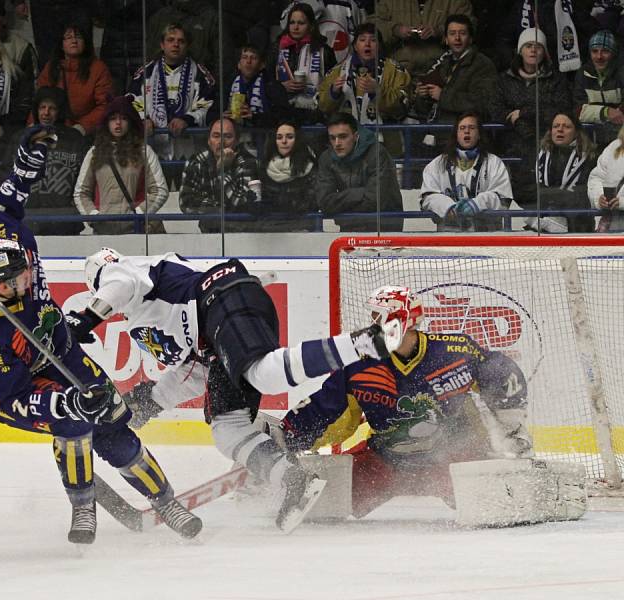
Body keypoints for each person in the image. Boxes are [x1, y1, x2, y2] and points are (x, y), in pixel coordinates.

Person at [0, 124, 202, 545]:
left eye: (25, 271)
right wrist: (65, 397)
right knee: (73, 420)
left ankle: (166, 501)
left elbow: (8, 200)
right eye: (16, 282)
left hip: (57, 349)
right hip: (10, 389)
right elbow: (16, 393)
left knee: (112, 420)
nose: (27, 279)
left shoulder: (0, 240)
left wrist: (27, 164)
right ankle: (83, 504)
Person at [63, 249, 392, 532]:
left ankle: (360, 343)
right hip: (217, 336)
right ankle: (295, 480)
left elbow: (119, 283)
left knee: (264, 374)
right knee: (228, 432)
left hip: (220, 298)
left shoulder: (124, 273)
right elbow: (191, 373)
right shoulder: (150, 307)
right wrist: (140, 410)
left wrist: (87, 318)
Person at [274, 285, 531, 519]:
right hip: (388, 461)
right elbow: (328, 412)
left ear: (402, 320)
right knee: (325, 504)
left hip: (455, 460)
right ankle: (268, 487)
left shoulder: (454, 351)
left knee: (501, 509)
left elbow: (499, 372)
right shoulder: (359, 365)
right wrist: (285, 440)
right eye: (372, 317)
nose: (373, 324)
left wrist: (511, 428)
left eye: (380, 317)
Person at [129, 23, 215, 189]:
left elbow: (208, 103)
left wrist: (188, 119)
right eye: (171, 40)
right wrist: (143, 120)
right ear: (162, 44)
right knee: (156, 198)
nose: (176, 44)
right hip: (154, 149)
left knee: (189, 196)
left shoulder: (200, 72)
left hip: (189, 149)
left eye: (181, 41)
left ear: (187, 45)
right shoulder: (146, 72)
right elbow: (132, 100)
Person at [488, 28, 572, 194]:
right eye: (528, 46)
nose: (533, 50)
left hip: (546, 143)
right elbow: (495, 109)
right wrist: (517, 122)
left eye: (538, 46)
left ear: (544, 52)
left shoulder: (556, 80)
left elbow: (561, 110)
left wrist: (524, 113)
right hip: (511, 145)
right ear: (520, 51)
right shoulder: (503, 80)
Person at [0, 86, 89, 236]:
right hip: (27, 219)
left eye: (52, 108)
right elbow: (4, 176)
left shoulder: (74, 139)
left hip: (65, 221)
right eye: (42, 107)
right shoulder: (22, 138)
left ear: (60, 111)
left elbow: (85, 179)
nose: (46, 113)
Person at [74, 95, 168, 235]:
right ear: (106, 123)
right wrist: (93, 216)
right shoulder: (94, 152)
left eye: (123, 118)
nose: (118, 123)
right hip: (104, 230)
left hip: (139, 229)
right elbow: (80, 192)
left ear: (130, 122)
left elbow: (160, 190)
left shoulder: (144, 151)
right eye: (113, 119)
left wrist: (138, 213)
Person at [319, 22, 410, 156]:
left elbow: (403, 106)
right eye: (362, 40)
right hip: (345, 144)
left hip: (386, 144)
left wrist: (378, 92)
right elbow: (322, 106)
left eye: (373, 40)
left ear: (379, 45)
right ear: (355, 45)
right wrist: (333, 93)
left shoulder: (396, 71)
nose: (367, 44)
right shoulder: (337, 72)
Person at [419, 112, 514, 232]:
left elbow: (503, 199)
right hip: (449, 238)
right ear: (456, 134)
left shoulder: (494, 163)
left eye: (472, 128)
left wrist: (478, 204)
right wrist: (448, 207)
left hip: (487, 237)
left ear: (479, 134)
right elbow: (427, 197)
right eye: (462, 128)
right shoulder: (437, 164)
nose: (467, 131)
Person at [316, 112, 404, 231]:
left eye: (343, 137)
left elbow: (377, 200)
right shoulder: (326, 158)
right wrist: (360, 193)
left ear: (356, 136)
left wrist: (342, 206)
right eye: (332, 138)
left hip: (384, 227)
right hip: (349, 228)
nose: (337, 143)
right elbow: (324, 202)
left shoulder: (377, 153)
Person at [412, 14, 496, 130]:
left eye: (462, 33)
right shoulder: (443, 64)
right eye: (452, 34)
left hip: (467, 134)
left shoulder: (483, 65)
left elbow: (483, 103)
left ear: (470, 39)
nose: (457, 38)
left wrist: (443, 96)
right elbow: (423, 109)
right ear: (446, 39)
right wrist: (423, 96)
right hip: (440, 133)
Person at [518, 112, 596, 233]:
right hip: (540, 223)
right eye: (556, 126)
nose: (560, 129)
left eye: (566, 126)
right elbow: (523, 189)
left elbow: (583, 194)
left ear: (576, 132)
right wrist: (558, 195)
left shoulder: (590, 157)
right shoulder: (537, 155)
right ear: (550, 131)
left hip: (577, 226)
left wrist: (548, 195)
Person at [178, 117, 260, 233]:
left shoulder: (248, 162)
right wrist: (221, 208)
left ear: (236, 141)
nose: (221, 142)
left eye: (227, 136)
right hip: (210, 230)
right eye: (216, 136)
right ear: (208, 140)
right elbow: (186, 203)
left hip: (244, 232)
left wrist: (223, 171)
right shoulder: (196, 162)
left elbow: (242, 204)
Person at [35, 22, 113, 137]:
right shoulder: (51, 67)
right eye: (69, 37)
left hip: (87, 133)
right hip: (51, 129)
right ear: (61, 44)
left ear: (85, 42)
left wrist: (82, 127)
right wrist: (32, 126)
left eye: (78, 37)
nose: (74, 41)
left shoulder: (98, 69)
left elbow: (105, 105)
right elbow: (38, 102)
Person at [267, 2, 337, 124]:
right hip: (282, 116)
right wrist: (282, 86)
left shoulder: (324, 50)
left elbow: (331, 82)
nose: (295, 27)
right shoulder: (276, 48)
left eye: (301, 23)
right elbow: (267, 81)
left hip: (314, 116)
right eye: (292, 23)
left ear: (311, 25)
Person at [368, 0, 475, 79]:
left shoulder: (456, 2)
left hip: (442, 71)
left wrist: (439, 31)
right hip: (399, 72)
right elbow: (371, 23)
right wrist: (395, 29)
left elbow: (470, 24)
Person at [258, 119, 319, 231]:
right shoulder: (263, 168)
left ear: (298, 140)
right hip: (270, 232)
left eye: (289, 137)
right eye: (279, 137)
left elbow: (312, 204)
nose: (284, 141)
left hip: (303, 230)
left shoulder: (310, 167)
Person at [573, 30, 624, 148]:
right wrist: (606, 112)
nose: (599, 56)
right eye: (595, 51)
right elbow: (578, 110)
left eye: (605, 51)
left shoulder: (621, 72)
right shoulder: (582, 74)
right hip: (589, 135)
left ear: (614, 53)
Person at [587, 124, 624, 231]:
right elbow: (596, 178)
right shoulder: (615, 147)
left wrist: (622, 202)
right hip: (608, 227)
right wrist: (599, 197)